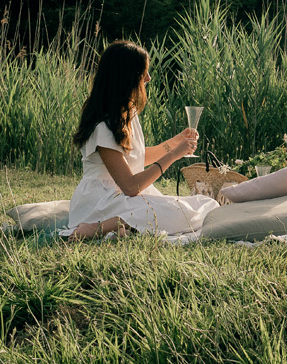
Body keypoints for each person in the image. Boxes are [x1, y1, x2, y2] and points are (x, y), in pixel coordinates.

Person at [60, 40, 217, 240]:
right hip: (101, 203)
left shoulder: (126, 114)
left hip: (123, 198)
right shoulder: (102, 127)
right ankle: (100, 227)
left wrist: (176, 141)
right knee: (185, 214)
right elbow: (131, 187)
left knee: (205, 204)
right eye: (144, 73)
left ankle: (126, 226)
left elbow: (136, 159)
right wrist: (174, 155)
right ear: (127, 76)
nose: (148, 78)